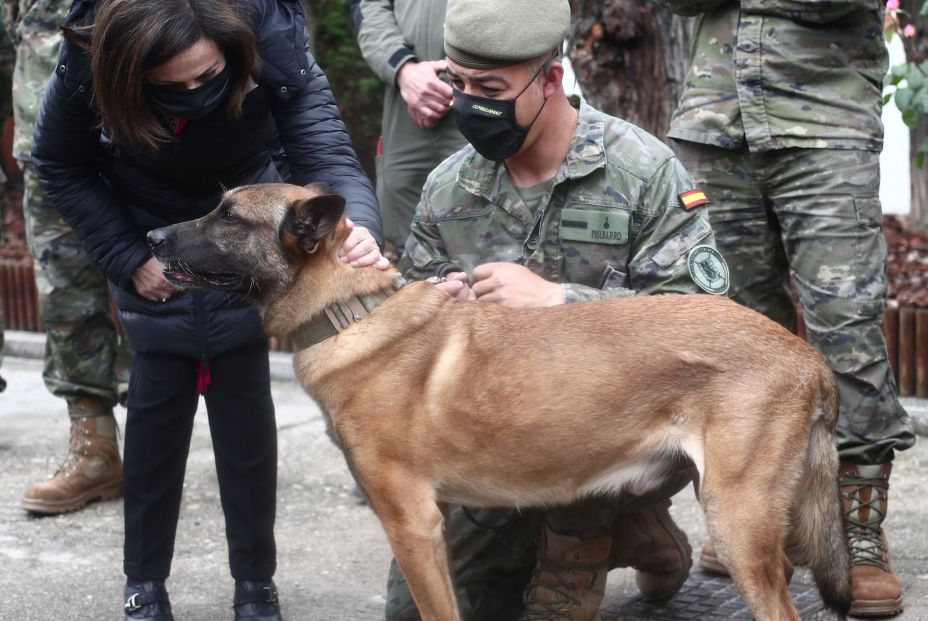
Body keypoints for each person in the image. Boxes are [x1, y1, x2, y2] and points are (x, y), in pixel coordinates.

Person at [31, 0, 386, 619]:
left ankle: (255, 584)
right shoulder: (92, 54)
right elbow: (59, 162)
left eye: (207, 77)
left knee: (248, 437)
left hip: (248, 236)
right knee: (153, 432)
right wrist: (124, 254)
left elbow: (325, 153)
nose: (194, 94)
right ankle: (143, 583)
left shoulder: (273, 37)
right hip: (150, 232)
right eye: (171, 86)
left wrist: (357, 224)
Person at [389, 1, 730, 618]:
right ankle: (635, 533)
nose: (469, 105)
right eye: (457, 84)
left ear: (551, 77)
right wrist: (436, 308)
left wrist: (561, 302)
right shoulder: (448, 186)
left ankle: (620, 523)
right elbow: (410, 320)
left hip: (625, 432)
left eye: (490, 89)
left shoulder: (641, 169)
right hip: (495, 444)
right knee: (415, 610)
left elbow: (706, 320)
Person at [653, 0, 916, 616]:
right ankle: (762, 520)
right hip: (714, 125)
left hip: (825, 125)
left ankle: (856, 532)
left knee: (846, 328)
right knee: (731, 335)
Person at [7, 0, 131, 516]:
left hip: (143, 136)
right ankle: (96, 447)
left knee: (170, 279)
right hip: (46, 149)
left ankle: (174, 440)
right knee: (65, 294)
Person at [355, 0, 467, 255]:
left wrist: (462, 76)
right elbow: (370, 7)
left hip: (488, 98)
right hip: (403, 100)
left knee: (491, 229)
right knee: (406, 245)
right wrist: (404, 71)